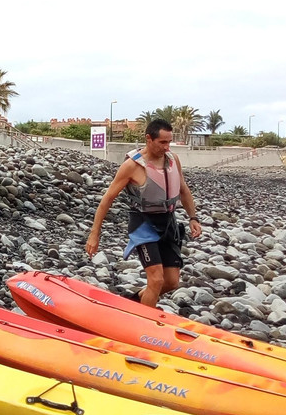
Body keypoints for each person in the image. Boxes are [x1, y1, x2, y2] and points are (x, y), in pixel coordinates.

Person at [85, 118, 202, 307]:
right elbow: (107, 198)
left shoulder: (173, 160)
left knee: (171, 282)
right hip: (144, 224)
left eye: (169, 142)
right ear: (149, 138)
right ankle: (146, 326)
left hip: (168, 223)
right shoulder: (132, 165)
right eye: (162, 142)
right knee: (156, 280)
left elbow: (183, 190)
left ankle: (136, 301)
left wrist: (193, 218)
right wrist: (94, 233)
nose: (167, 147)